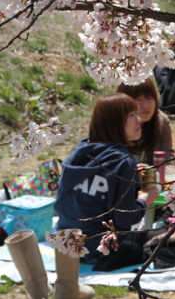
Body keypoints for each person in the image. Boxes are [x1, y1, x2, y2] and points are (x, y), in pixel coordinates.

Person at [55, 93, 158, 270]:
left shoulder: (78, 152)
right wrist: (145, 197)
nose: (139, 120)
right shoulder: (123, 162)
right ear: (115, 123)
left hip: (65, 244)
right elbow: (125, 218)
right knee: (167, 236)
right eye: (132, 115)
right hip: (101, 250)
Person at [117, 78, 173, 171]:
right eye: (138, 99)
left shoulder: (161, 121)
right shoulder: (112, 124)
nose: (146, 106)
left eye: (149, 98)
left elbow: (166, 160)